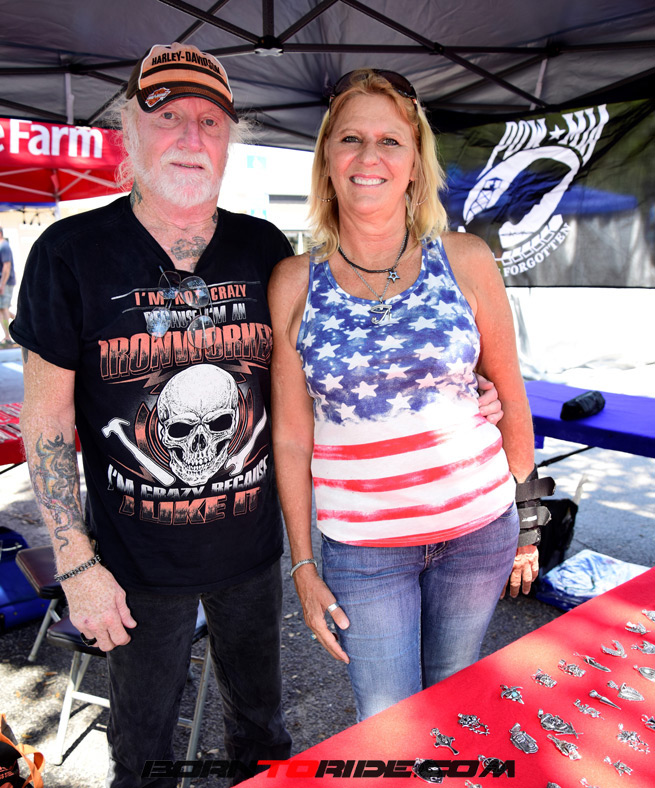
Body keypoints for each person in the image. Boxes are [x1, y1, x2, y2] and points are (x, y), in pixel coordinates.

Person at [10, 43, 294, 787]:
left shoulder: (265, 249)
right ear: (129, 132)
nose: (191, 136)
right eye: (167, 117)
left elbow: (308, 381)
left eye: (210, 121)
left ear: (229, 140)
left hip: (252, 555)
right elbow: (46, 421)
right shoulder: (70, 253)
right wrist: (77, 565)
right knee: (141, 754)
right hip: (133, 567)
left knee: (263, 731)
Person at [268, 68, 553, 722]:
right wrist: (302, 564)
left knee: (452, 704)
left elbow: (510, 395)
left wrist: (528, 520)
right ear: (326, 160)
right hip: (363, 551)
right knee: (389, 723)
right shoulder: (292, 281)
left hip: (479, 532)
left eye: (390, 141)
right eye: (350, 139)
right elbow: (290, 436)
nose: (369, 156)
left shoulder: (467, 258)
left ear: (416, 166)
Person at [0, 227, 16, 346]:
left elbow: (7, 266)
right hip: (4, 282)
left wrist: (2, 284)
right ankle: (22, 324)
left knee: (3, 308)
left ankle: (7, 337)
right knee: (3, 308)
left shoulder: (4, 246)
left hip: (6, 282)